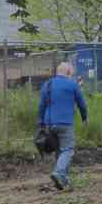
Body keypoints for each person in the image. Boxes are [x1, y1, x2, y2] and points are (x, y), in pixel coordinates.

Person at [38, 62, 88, 191]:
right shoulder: (72, 85)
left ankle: (63, 181)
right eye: (72, 72)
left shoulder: (47, 84)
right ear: (68, 72)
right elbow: (82, 104)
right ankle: (59, 173)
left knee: (60, 152)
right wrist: (84, 118)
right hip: (65, 123)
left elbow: (41, 105)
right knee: (68, 150)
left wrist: (41, 123)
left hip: (49, 124)